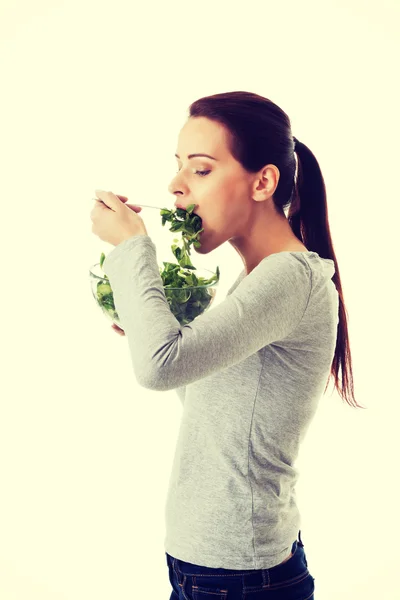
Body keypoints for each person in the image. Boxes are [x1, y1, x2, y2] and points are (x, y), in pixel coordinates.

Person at [104, 90, 363, 599]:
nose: (175, 186)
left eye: (200, 170)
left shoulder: (290, 278)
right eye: (177, 167)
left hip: (240, 578)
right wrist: (153, 324)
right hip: (214, 569)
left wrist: (131, 245)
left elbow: (159, 369)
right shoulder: (258, 278)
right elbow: (204, 399)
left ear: (263, 181)